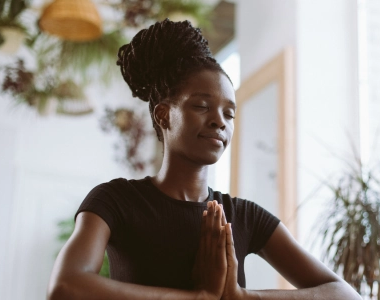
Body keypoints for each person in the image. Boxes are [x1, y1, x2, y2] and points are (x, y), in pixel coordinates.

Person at [47, 19, 361, 300]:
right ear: (164, 114)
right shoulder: (117, 201)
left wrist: (240, 297)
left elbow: (345, 295)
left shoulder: (245, 217)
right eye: (201, 106)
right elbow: (66, 287)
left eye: (229, 113)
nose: (219, 122)